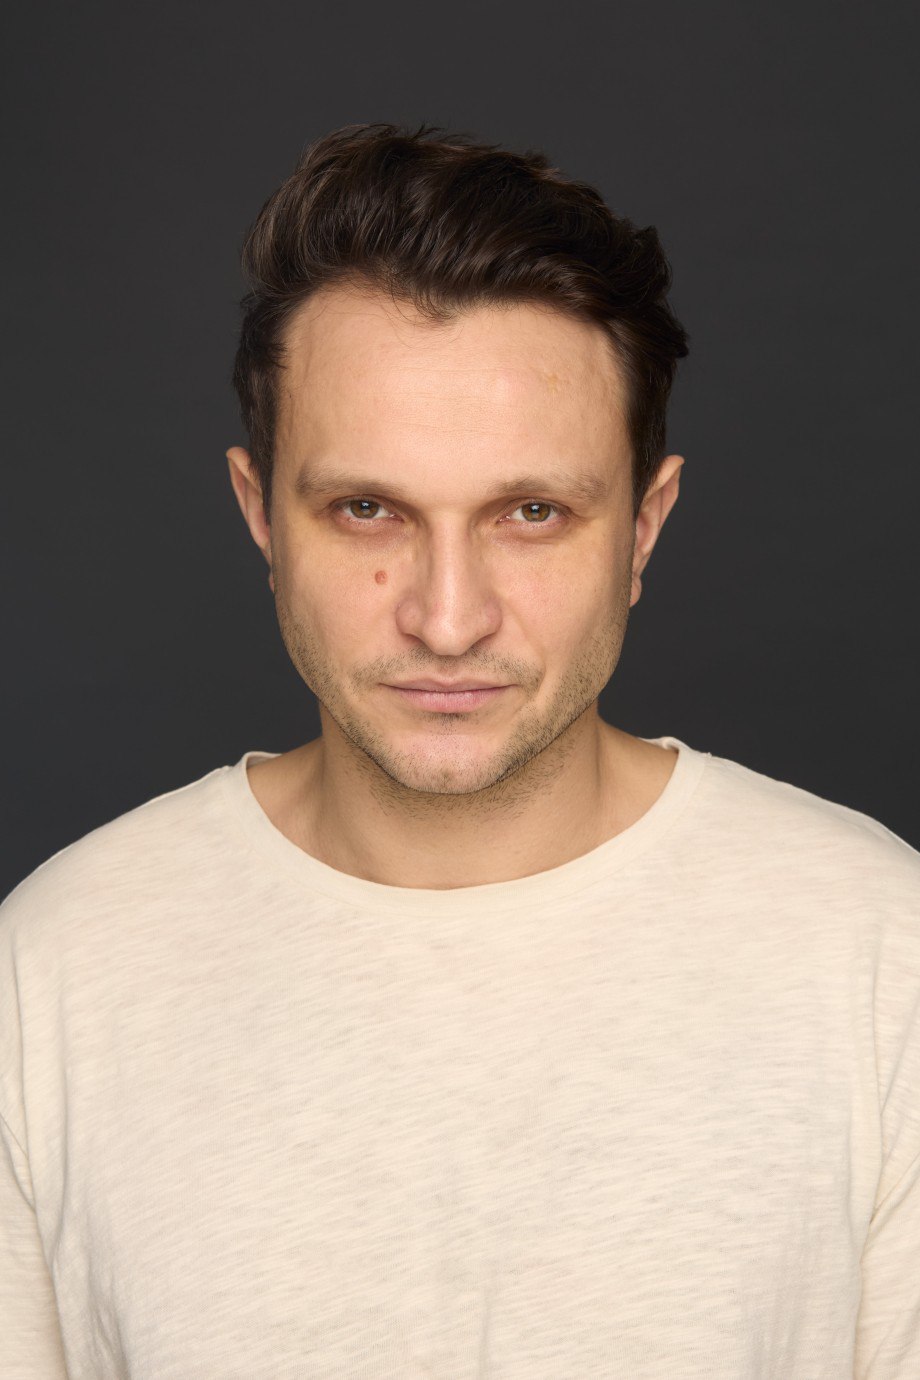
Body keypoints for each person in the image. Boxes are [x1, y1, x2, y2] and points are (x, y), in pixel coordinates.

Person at [1, 121, 917, 1379]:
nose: (446, 619)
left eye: (530, 513)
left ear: (642, 526)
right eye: (366, 510)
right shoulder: (52, 973)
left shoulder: (877, 955)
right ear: (260, 514)